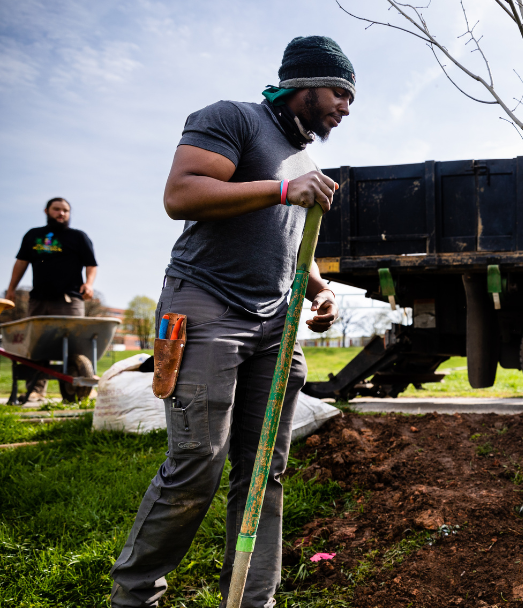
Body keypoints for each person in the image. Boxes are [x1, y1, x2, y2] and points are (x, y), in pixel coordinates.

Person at [110, 36, 354, 607]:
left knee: (265, 467)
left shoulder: (302, 159)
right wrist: (282, 189)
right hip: (206, 303)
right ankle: (136, 595)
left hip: (275, 322)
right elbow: (182, 193)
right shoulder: (232, 119)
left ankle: (252, 598)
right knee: (198, 460)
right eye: (340, 92)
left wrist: (320, 290)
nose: (346, 106)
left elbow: (289, 240)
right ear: (305, 84)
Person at [7, 197, 98, 400]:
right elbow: (21, 263)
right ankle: (36, 392)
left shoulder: (78, 237)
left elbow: (91, 264)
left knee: (74, 345)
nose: (61, 213)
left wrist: (89, 283)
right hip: (38, 300)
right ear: (47, 211)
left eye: (65, 210)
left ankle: (75, 390)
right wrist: (11, 288)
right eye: (57, 209)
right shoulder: (34, 235)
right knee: (37, 347)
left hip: (69, 300)